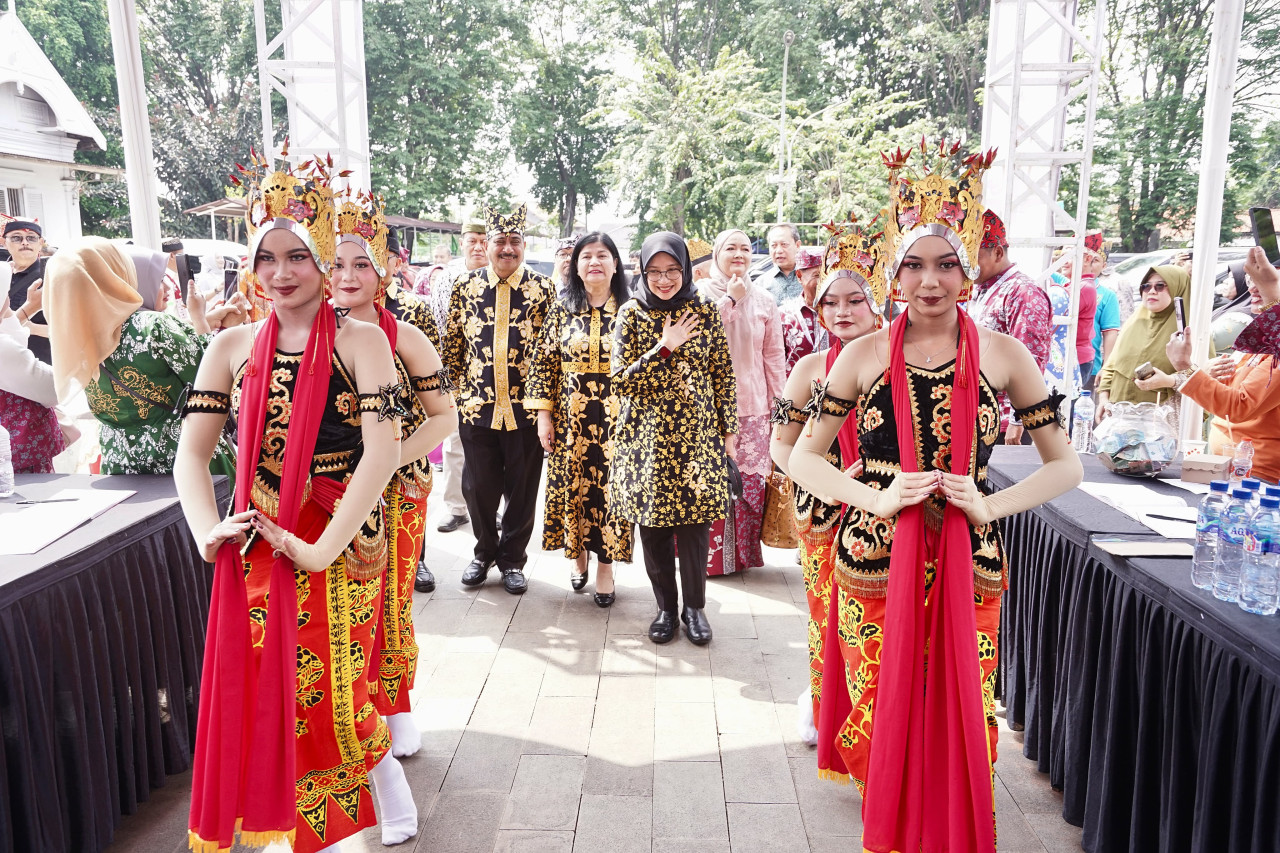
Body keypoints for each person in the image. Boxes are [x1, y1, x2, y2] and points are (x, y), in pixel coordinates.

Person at [789, 140, 1081, 851]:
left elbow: (1063, 465)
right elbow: (803, 456)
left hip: (968, 557)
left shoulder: (1007, 357)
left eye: (946, 263)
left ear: (968, 269)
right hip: (874, 561)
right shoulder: (860, 356)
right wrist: (874, 498)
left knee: (961, 718)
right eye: (914, 264)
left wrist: (989, 504)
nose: (930, 281)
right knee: (882, 713)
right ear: (893, 273)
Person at [174, 156, 417, 852]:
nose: (281, 273)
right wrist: (205, 530)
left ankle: (378, 790)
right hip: (257, 539)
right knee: (264, 686)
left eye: (297, 257)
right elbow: (192, 454)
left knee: (336, 692)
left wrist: (317, 546)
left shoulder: (362, 342)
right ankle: (290, 824)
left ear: (321, 257)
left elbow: (381, 450)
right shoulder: (228, 347)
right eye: (267, 258)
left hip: (335, 535)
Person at [331, 188, 458, 758]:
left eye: (362, 264)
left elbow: (444, 418)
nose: (348, 275)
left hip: (397, 492)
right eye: (336, 263)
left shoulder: (403, 336)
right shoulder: (300, 336)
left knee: (389, 602)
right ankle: (343, 716)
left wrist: (386, 459)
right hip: (327, 493)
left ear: (383, 272)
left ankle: (396, 704)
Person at [769, 220, 880, 752]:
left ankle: (880, 720)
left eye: (855, 301)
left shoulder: (902, 365)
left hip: (886, 513)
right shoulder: (809, 369)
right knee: (829, 619)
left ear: (878, 303)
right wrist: (829, 483)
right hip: (824, 512)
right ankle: (828, 712)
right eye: (831, 302)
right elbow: (780, 446)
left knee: (880, 627)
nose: (841, 312)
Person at [610, 232, 737, 645]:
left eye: (672, 271)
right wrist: (664, 347)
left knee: (696, 526)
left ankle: (694, 608)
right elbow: (621, 383)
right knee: (656, 529)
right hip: (646, 444)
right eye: (654, 272)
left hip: (697, 440)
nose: (664, 280)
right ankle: (665, 607)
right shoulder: (631, 314)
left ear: (685, 270)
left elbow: (722, 374)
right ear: (642, 272)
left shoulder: (703, 309)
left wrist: (729, 437)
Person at [42, 240, 242, 475]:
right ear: (115, 276)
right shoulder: (153, 326)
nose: (166, 287)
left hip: (121, 463)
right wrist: (204, 322)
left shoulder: (77, 340)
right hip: (183, 461)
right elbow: (213, 380)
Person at [443, 204, 555, 595]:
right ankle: (483, 552)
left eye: (515, 241)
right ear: (486, 244)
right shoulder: (466, 287)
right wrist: (455, 397)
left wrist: (546, 406)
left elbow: (550, 352)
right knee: (478, 488)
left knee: (523, 488)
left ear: (524, 244)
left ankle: (512, 560)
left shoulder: (544, 289)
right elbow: (453, 346)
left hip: (527, 409)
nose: (507, 249)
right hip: (477, 407)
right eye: (500, 241)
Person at [525, 232, 633, 606]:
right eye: (586, 256)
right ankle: (578, 553)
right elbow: (542, 364)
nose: (594, 263)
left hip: (617, 421)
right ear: (575, 266)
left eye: (603, 255)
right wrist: (543, 416)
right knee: (574, 487)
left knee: (610, 492)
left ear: (616, 264)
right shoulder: (561, 308)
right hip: (569, 420)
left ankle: (606, 567)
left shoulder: (632, 309)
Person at [1136, 246, 1280, 480]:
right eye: (1251, 278)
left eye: (1267, 279)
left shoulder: (1264, 337)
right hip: (1228, 467)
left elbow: (1239, 406)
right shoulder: (1263, 337)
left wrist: (1185, 368)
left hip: (1258, 478)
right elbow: (1235, 390)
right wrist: (1201, 373)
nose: (1254, 286)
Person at [699, 228, 786, 575]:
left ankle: (741, 558)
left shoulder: (764, 300)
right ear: (717, 254)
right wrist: (730, 301)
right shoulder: (700, 295)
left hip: (753, 407)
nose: (739, 254)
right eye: (730, 248)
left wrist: (781, 408)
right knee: (709, 483)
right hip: (707, 408)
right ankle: (706, 560)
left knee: (748, 483)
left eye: (746, 248)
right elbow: (700, 340)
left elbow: (774, 358)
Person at [967, 210, 1053, 442]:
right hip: (977, 415)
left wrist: (1018, 420)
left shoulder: (1023, 293)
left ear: (997, 252)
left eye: (972, 257)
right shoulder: (979, 288)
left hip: (1006, 423)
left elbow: (1031, 361)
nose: (966, 266)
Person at [431, 222, 486, 541]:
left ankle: (489, 507)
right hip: (456, 370)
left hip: (495, 375)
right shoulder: (447, 277)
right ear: (461, 244)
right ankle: (455, 507)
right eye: (471, 241)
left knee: (491, 444)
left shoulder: (500, 274)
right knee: (454, 442)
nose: (478, 247)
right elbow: (441, 327)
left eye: (483, 241)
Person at [1094, 264, 1205, 420]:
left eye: (1160, 286)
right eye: (1146, 286)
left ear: (1177, 289)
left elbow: (1205, 381)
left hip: (1162, 423)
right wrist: (1104, 399)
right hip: (1119, 417)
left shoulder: (1192, 332)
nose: (1152, 291)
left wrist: (1169, 381)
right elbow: (1112, 364)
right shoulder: (1134, 323)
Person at [0, 277, 64, 472]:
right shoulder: (3, 348)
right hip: (17, 465)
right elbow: (54, 390)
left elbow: (16, 341)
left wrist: (24, 308)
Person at [780, 247, 831, 374]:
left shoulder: (843, 314)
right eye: (818, 275)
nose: (824, 283)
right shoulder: (782, 316)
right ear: (799, 276)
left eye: (828, 275)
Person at [5, 219, 50, 364]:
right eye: (16, 238)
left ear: (40, 242)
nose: (25, 242)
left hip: (40, 365)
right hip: (5, 367)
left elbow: (70, 330)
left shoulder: (51, 278)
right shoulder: (2, 275)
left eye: (31, 237)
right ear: (4, 242)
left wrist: (31, 328)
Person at [757, 223, 802, 305]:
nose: (779, 251)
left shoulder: (812, 278)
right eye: (774, 245)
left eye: (784, 244)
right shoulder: (760, 284)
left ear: (797, 245)